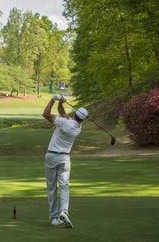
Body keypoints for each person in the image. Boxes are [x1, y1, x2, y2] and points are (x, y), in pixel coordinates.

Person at [42, 93, 88, 228]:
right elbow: (63, 114)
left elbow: (45, 114)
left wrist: (52, 100)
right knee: (64, 186)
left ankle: (54, 218)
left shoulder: (64, 122)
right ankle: (64, 211)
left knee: (51, 188)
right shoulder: (78, 127)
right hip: (64, 158)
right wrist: (61, 102)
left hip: (51, 156)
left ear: (75, 115)